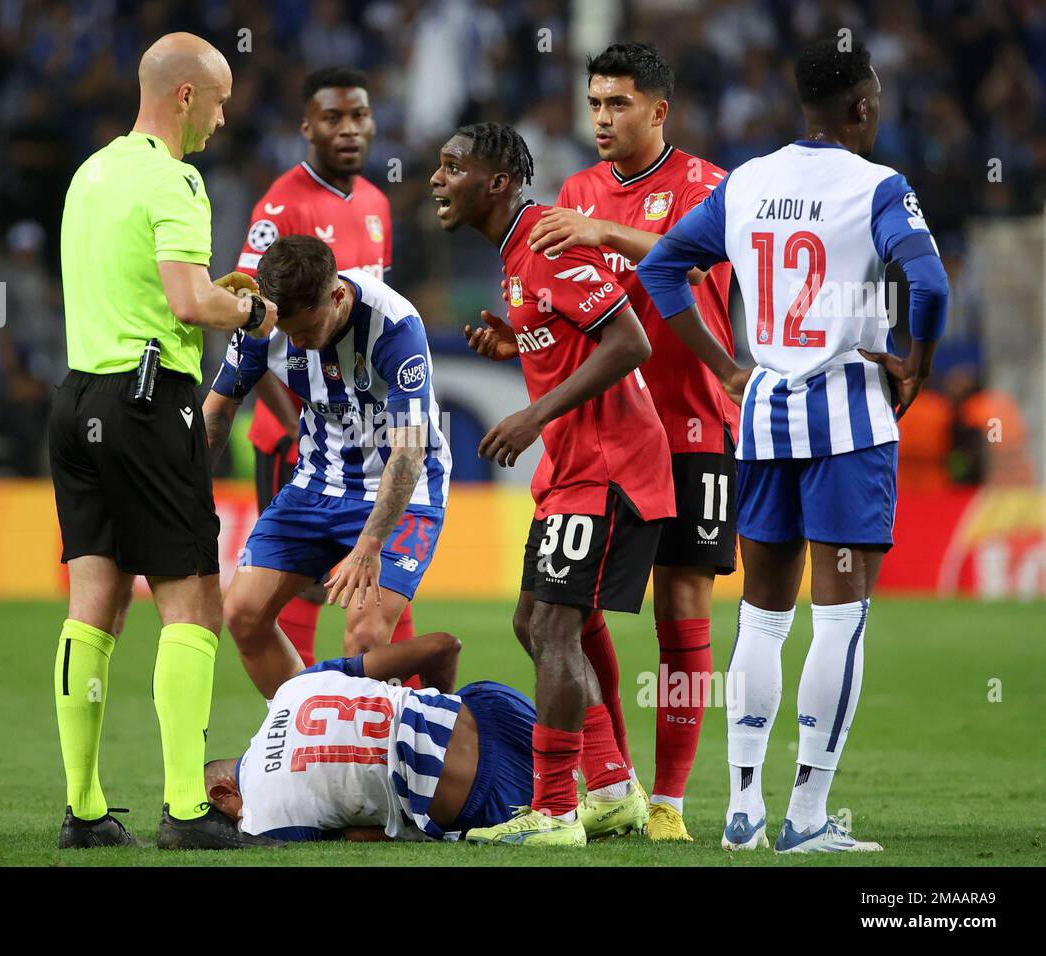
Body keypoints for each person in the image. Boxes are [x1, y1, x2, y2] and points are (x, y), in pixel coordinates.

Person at [638, 39, 948, 853]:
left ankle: (741, 808)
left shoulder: (748, 182)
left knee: (764, 616)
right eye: (875, 98)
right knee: (840, 619)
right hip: (848, 419)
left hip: (766, 412)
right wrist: (916, 357)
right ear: (862, 106)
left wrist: (724, 365)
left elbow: (663, 270)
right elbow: (934, 282)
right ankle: (805, 817)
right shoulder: (879, 186)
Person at [49, 32, 279, 851]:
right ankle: (188, 809)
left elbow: (143, 289)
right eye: (217, 102)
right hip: (149, 403)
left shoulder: (91, 173)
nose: (221, 120)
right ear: (185, 95)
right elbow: (186, 304)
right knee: (193, 604)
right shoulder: (176, 180)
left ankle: (83, 811)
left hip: (77, 400)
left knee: (93, 608)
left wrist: (208, 294)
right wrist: (248, 311)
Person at [431, 123, 675, 846]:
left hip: (609, 465)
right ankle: (608, 788)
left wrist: (534, 413)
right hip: (574, 468)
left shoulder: (543, 239)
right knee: (529, 622)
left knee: (553, 627)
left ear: (498, 181)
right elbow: (573, 331)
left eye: (453, 167)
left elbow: (629, 339)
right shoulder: (515, 257)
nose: (438, 180)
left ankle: (556, 810)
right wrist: (519, 343)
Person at [520, 43, 737, 842]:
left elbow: (700, 260)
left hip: (693, 421)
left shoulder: (708, 186)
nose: (603, 118)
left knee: (681, 609)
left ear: (658, 110)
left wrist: (602, 230)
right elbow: (573, 304)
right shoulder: (576, 189)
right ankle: (612, 774)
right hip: (609, 436)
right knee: (565, 611)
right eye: (596, 103)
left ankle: (670, 803)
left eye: (618, 104)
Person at [203, 236, 451, 699]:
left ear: (337, 296)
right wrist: (186, 495)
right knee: (242, 614)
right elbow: (216, 415)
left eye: (305, 329)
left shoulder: (395, 327)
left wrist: (368, 544)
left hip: (402, 490)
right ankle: (306, 728)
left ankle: (378, 757)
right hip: (316, 481)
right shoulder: (264, 323)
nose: (296, 342)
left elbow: (409, 453)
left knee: (364, 635)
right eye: (288, 331)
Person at [233, 66, 419, 671]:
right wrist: (293, 424)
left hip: (368, 437)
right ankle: (305, 725)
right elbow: (250, 324)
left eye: (359, 116)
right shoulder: (279, 207)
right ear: (307, 126)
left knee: (382, 581)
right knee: (304, 587)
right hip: (297, 429)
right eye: (333, 118)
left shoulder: (375, 204)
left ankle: (392, 712)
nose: (349, 130)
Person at [203, 632, 539, 842]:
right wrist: (437, 708)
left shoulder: (263, 816)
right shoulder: (294, 688)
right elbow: (443, 645)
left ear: (222, 793)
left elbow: (361, 834)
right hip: (503, 711)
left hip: (483, 796)